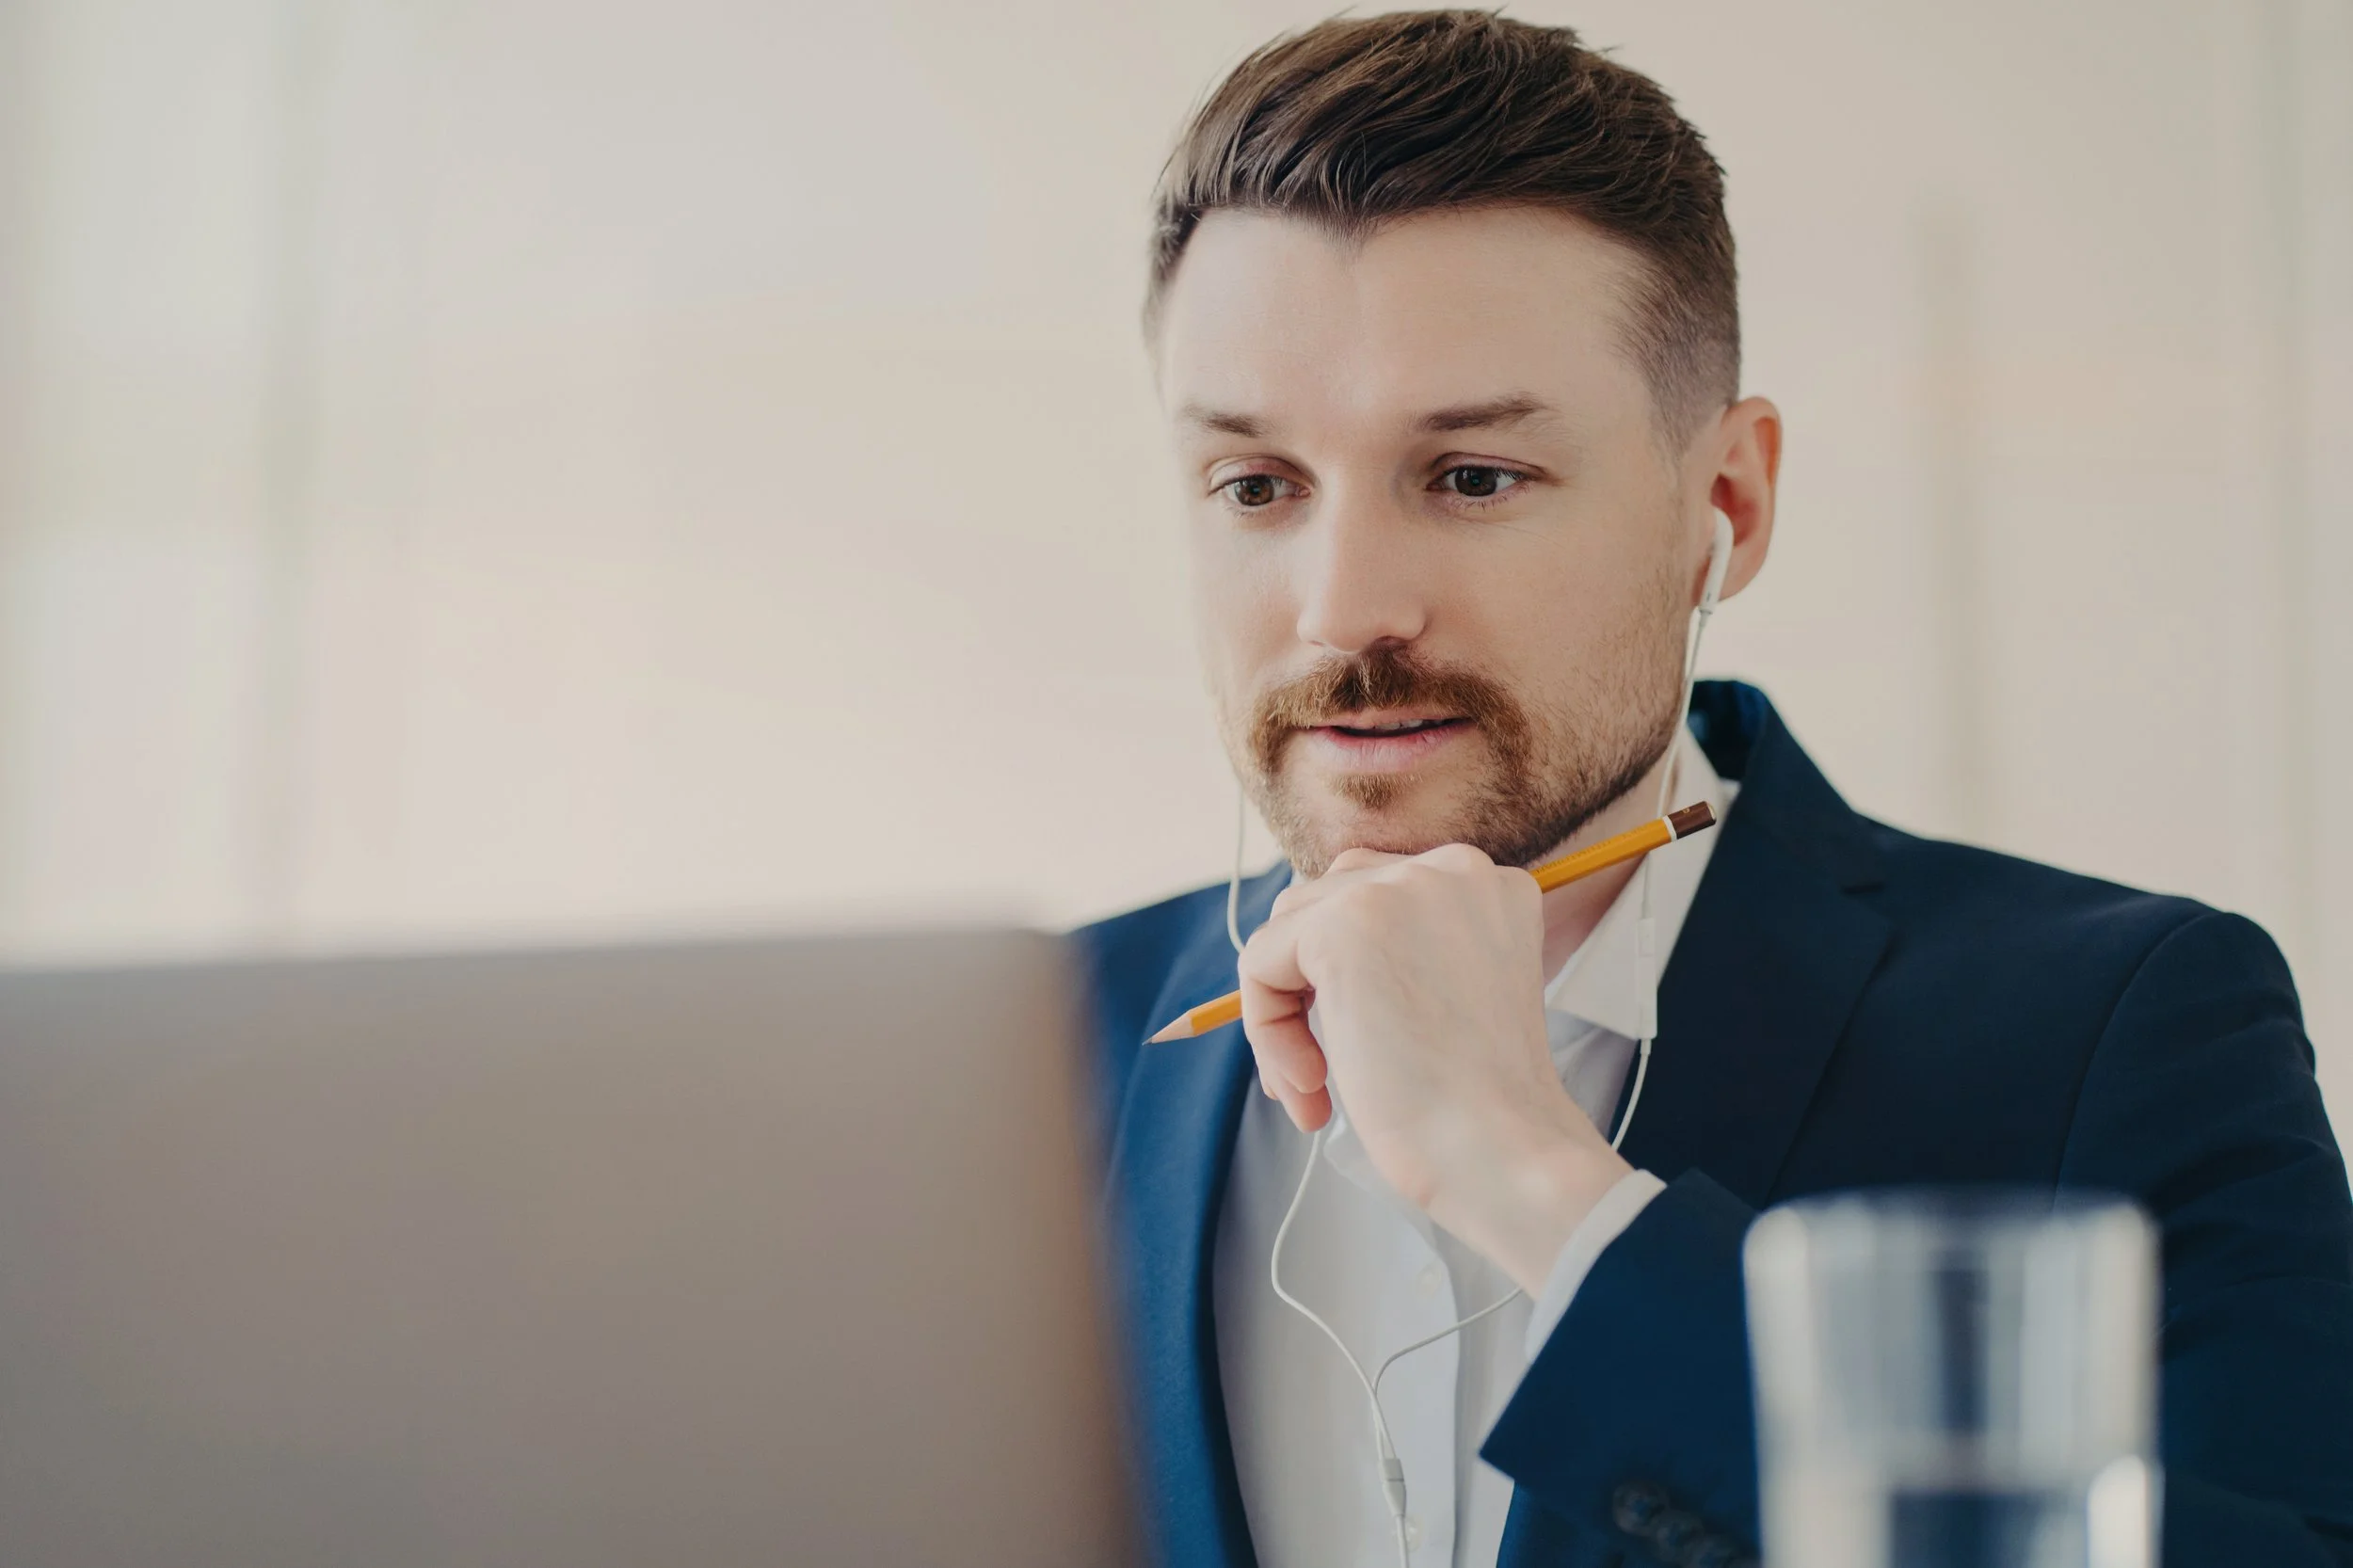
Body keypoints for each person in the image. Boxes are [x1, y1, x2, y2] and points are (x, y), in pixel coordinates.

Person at [1075, 11, 2353, 1568]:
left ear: (1727, 505)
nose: (1345, 605)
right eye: (1255, 485)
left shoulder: (2130, 1026)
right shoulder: (1034, 1060)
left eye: (1473, 477)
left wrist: (1536, 1179)